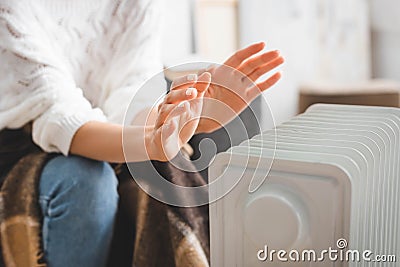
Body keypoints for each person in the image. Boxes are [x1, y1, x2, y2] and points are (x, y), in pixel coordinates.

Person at [0, 0, 284, 266]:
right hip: (18, 144)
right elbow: (58, 116)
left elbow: (131, 91)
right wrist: (151, 142)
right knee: (87, 180)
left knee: (167, 168)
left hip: (101, 133)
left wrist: (184, 123)